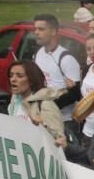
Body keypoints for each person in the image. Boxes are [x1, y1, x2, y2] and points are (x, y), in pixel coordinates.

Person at [33, 13, 83, 145]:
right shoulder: (39, 54)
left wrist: (50, 105)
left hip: (65, 121)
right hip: (45, 119)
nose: (36, 33)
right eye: (35, 29)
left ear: (54, 31)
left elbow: (76, 94)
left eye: (41, 29)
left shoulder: (66, 58)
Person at [0, 60, 65, 144]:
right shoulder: (14, 101)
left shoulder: (45, 104)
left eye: (20, 76)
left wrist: (43, 126)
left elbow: (60, 141)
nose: (13, 79)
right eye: (11, 75)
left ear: (32, 80)